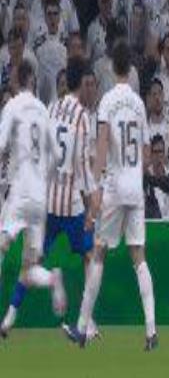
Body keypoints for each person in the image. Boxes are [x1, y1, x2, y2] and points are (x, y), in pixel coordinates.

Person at [64, 40, 157, 350]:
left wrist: (96, 190)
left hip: (115, 186)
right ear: (130, 67)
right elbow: (147, 152)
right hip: (135, 187)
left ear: (111, 67)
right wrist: (134, 171)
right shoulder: (139, 103)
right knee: (139, 258)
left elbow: (102, 148)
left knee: (99, 253)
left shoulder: (107, 101)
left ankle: (81, 327)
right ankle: (151, 331)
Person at [1, 57, 100, 339]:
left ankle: (10, 317)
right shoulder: (82, 116)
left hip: (46, 200)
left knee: (29, 263)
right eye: (89, 84)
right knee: (90, 257)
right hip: (71, 203)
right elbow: (81, 164)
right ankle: (87, 322)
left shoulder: (51, 107)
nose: (91, 89)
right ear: (82, 84)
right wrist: (92, 201)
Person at [0, 60, 67, 338]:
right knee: (28, 270)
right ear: (34, 80)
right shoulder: (43, 109)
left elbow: (1, 145)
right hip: (40, 198)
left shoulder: (13, 105)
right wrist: (43, 176)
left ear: (19, 78)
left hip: (20, 190)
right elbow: (57, 157)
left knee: (2, 245)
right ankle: (52, 278)